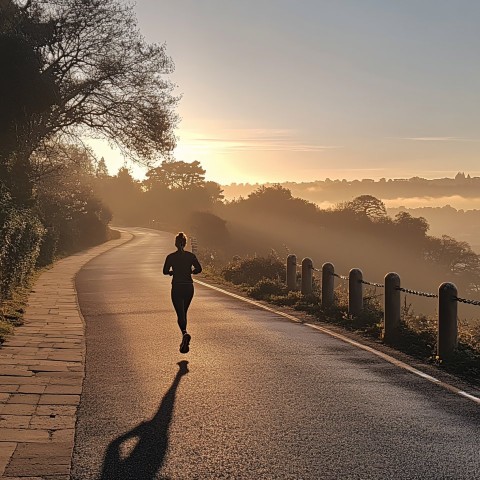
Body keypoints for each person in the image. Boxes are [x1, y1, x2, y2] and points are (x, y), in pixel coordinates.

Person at [163, 232, 202, 353]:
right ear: (185, 243)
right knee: (184, 312)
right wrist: (191, 272)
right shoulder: (191, 256)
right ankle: (184, 336)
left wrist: (172, 273)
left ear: (175, 243)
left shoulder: (170, 257)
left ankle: (184, 333)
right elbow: (199, 269)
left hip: (177, 286)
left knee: (180, 314)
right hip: (188, 287)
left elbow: (165, 271)